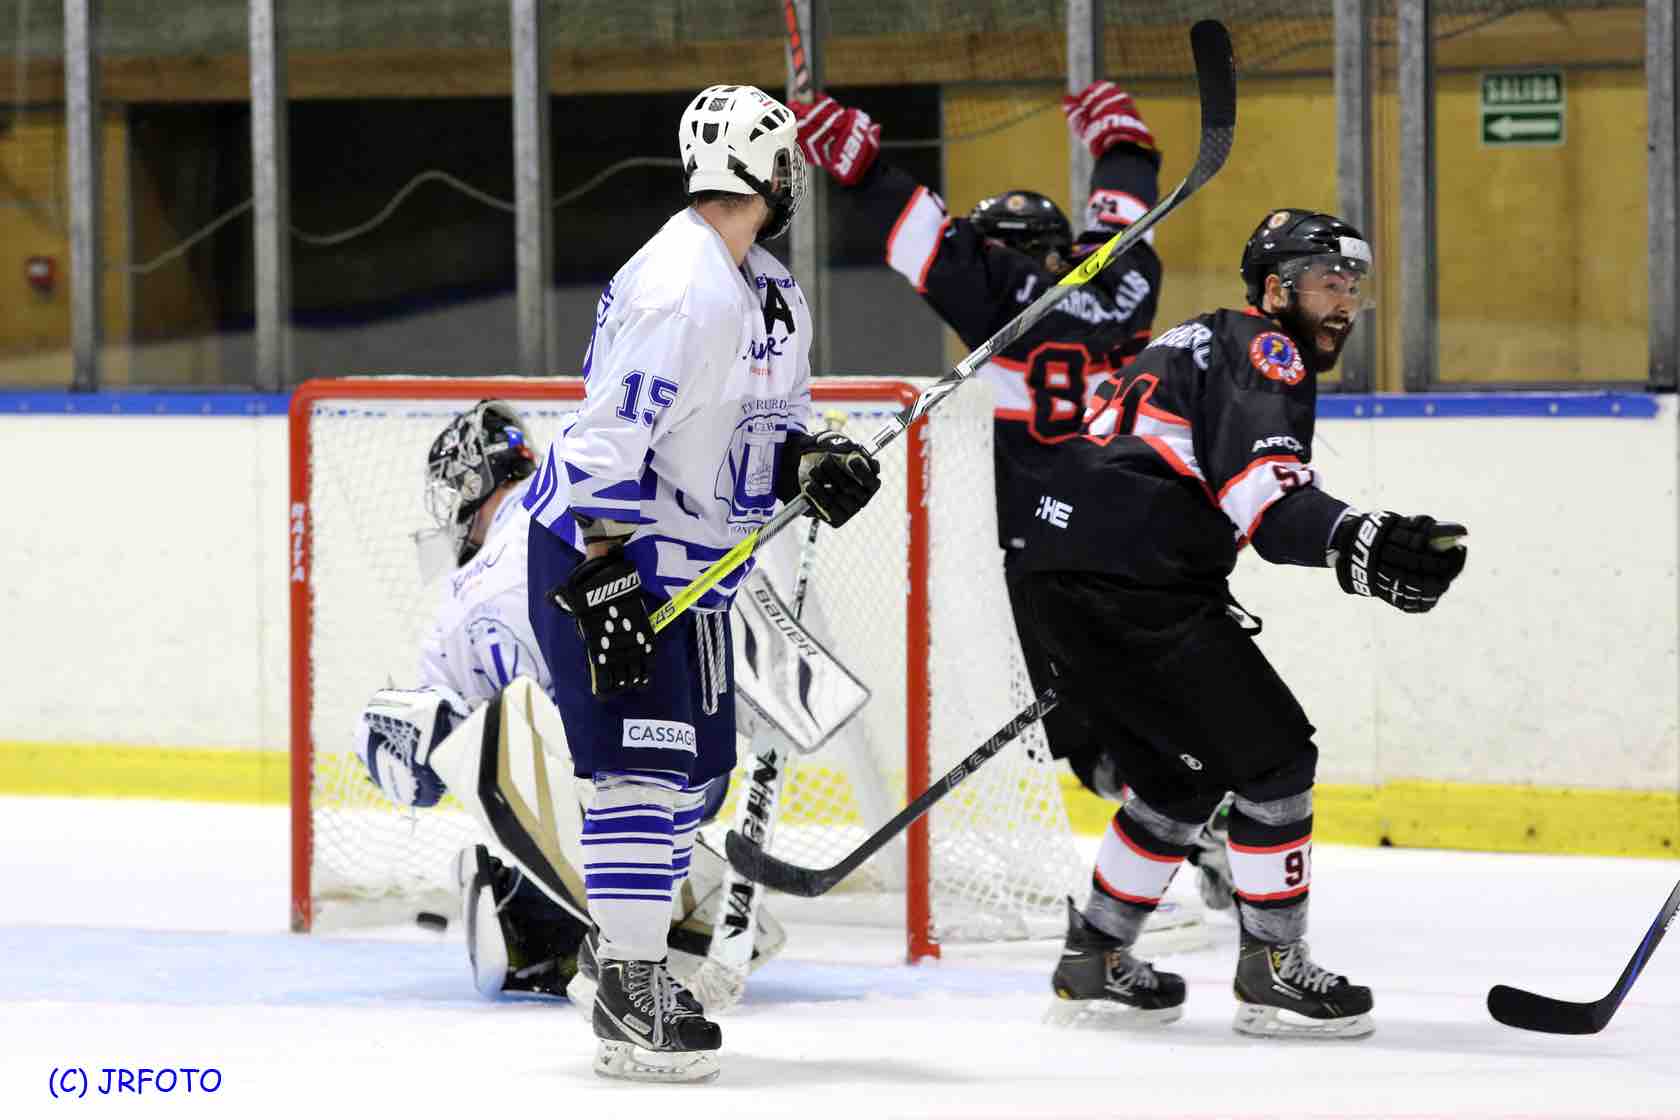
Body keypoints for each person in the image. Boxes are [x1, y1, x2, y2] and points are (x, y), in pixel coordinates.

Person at [1019, 209, 1468, 1038]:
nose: (1344, 302)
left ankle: (1094, 958)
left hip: (1060, 578)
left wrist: (1352, 542)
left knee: (1178, 783)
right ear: (1275, 289)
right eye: (1327, 282)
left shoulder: (1196, 338)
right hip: (1134, 587)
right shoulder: (1265, 347)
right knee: (1276, 760)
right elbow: (1268, 505)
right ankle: (1272, 970)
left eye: (1354, 286)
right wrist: (1365, 539)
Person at [792, 82, 1233, 914]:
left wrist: (863, 167)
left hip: (1050, 548)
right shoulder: (1125, 281)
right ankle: (1211, 820)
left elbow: (925, 239)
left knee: (1077, 731)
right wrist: (1124, 149)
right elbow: (1124, 219)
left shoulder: (1000, 292)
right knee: (1146, 703)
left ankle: (1190, 816)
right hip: (1143, 530)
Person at [519, 83, 882, 1083]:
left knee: (695, 777)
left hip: (698, 570)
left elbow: (772, 428)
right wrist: (604, 579)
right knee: (640, 770)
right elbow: (605, 442)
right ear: (764, 169)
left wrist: (814, 462)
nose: (793, 177)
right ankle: (629, 989)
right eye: (786, 161)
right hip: (610, 555)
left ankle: (613, 952)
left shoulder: (769, 286)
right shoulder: (681, 287)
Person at [356, 400, 787, 1004]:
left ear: (473, 478)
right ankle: (654, 912)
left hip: (600, 780)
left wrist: (409, 743)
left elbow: (445, 738)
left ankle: (540, 917)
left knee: (446, 731)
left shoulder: (474, 585)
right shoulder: (571, 506)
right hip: (693, 762)